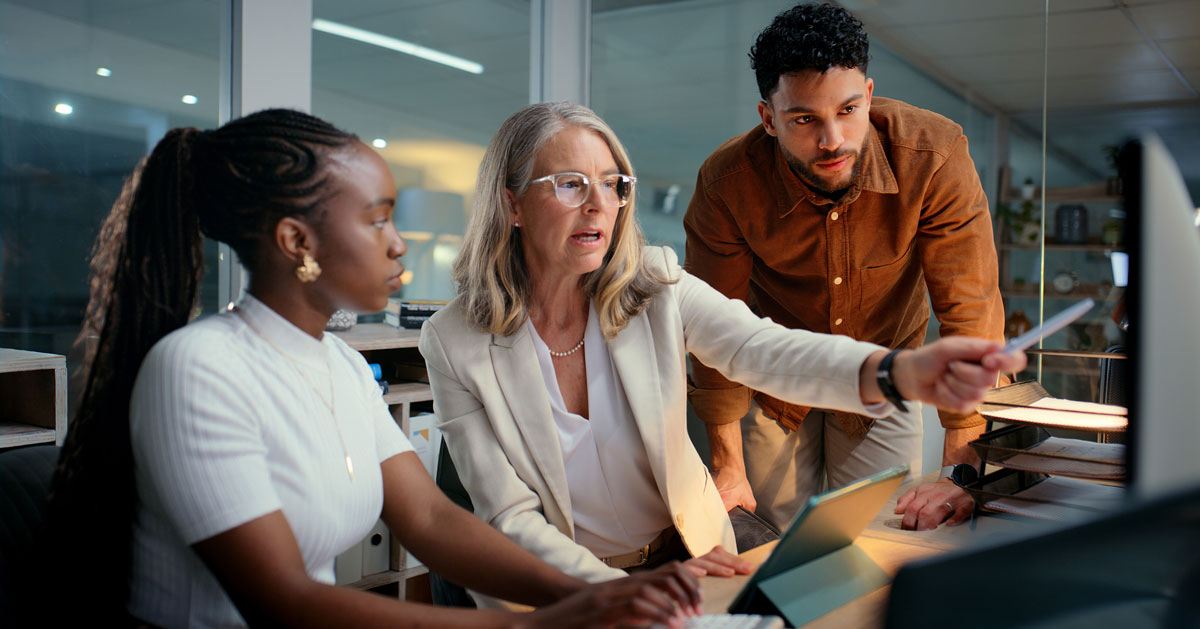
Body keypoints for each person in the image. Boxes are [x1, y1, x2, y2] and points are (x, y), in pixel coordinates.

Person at [38, 109, 703, 628]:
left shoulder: (341, 365)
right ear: (297, 241)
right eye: (377, 218)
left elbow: (433, 522)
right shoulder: (196, 368)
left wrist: (597, 590)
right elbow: (286, 604)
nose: (398, 242)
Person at [418, 101, 1023, 608]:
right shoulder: (454, 342)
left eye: (612, 183)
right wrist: (617, 595)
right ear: (513, 204)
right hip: (560, 596)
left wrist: (897, 371)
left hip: (688, 563)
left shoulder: (656, 285)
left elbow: (765, 349)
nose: (600, 203)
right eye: (571, 184)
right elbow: (509, 518)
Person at [683, 2, 1007, 533]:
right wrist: (727, 466)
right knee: (777, 544)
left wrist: (961, 467)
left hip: (888, 366)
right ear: (769, 119)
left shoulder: (934, 155)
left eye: (848, 110)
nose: (832, 139)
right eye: (805, 119)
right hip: (773, 378)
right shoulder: (727, 184)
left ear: (870, 95)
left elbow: (968, 306)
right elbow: (714, 326)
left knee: (882, 535)